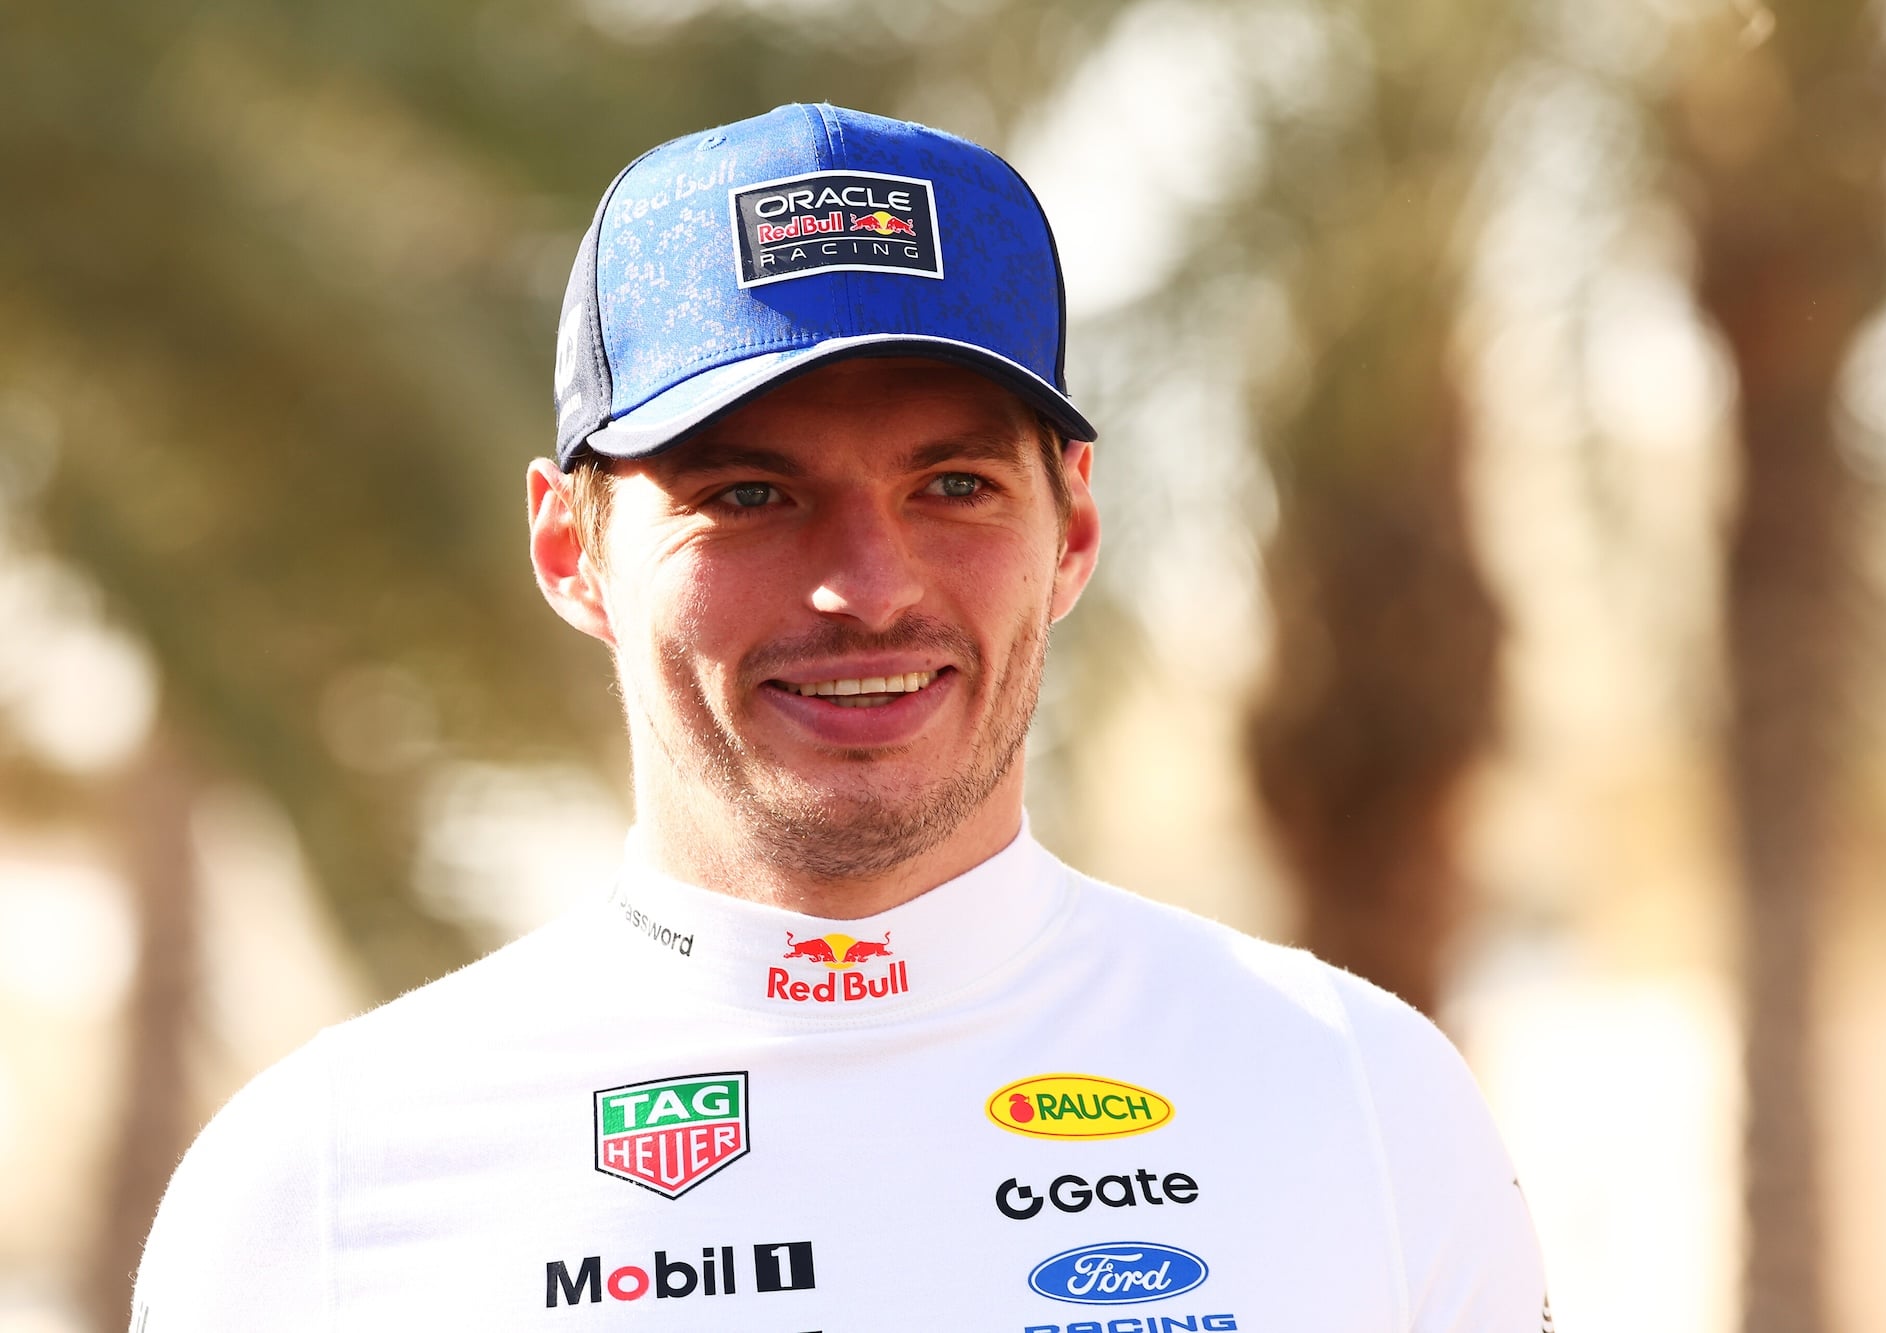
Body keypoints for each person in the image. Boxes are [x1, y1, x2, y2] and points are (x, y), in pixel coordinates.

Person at [131, 102, 1548, 1331]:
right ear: (571, 547)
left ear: (1074, 526)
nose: (866, 590)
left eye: (954, 487)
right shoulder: (321, 1185)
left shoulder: (1360, 1105)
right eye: (747, 494)